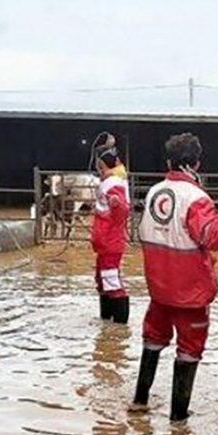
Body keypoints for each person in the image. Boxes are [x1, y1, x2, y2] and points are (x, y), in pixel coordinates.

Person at [131, 133, 218, 422]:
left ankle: (140, 401)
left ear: (169, 161)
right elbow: (211, 235)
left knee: (152, 338)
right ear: (197, 163)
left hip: (159, 287)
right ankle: (178, 419)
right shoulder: (196, 198)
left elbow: (144, 233)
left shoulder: (154, 191)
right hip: (189, 291)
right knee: (189, 350)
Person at [91, 136, 131, 324]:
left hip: (109, 241)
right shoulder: (111, 182)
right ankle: (108, 324)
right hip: (105, 241)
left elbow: (122, 209)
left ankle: (118, 326)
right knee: (103, 279)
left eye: (101, 167)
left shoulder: (113, 184)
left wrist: (117, 204)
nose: (99, 171)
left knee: (110, 280)